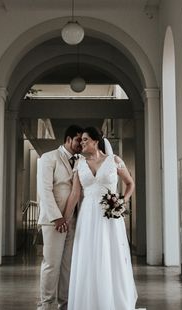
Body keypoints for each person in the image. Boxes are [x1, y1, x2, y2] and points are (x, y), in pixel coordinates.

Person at [62, 126, 138, 309]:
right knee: (88, 257)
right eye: (81, 140)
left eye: (85, 140)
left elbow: (130, 183)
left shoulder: (114, 161)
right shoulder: (79, 164)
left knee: (111, 254)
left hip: (110, 216)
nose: (82, 143)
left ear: (96, 141)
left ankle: (114, 301)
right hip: (88, 216)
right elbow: (74, 194)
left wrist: (122, 201)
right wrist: (64, 218)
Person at [37, 124, 84, 310]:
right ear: (68, 139)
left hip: (75, 220)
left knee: (68, 266)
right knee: (51, 264)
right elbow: (45, 191)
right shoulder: (49, 158)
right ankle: (46, 305)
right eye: (79, 140)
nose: (82, 143)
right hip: (54, 222)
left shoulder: (81, 160)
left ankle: (65, 304)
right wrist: (57, 218)